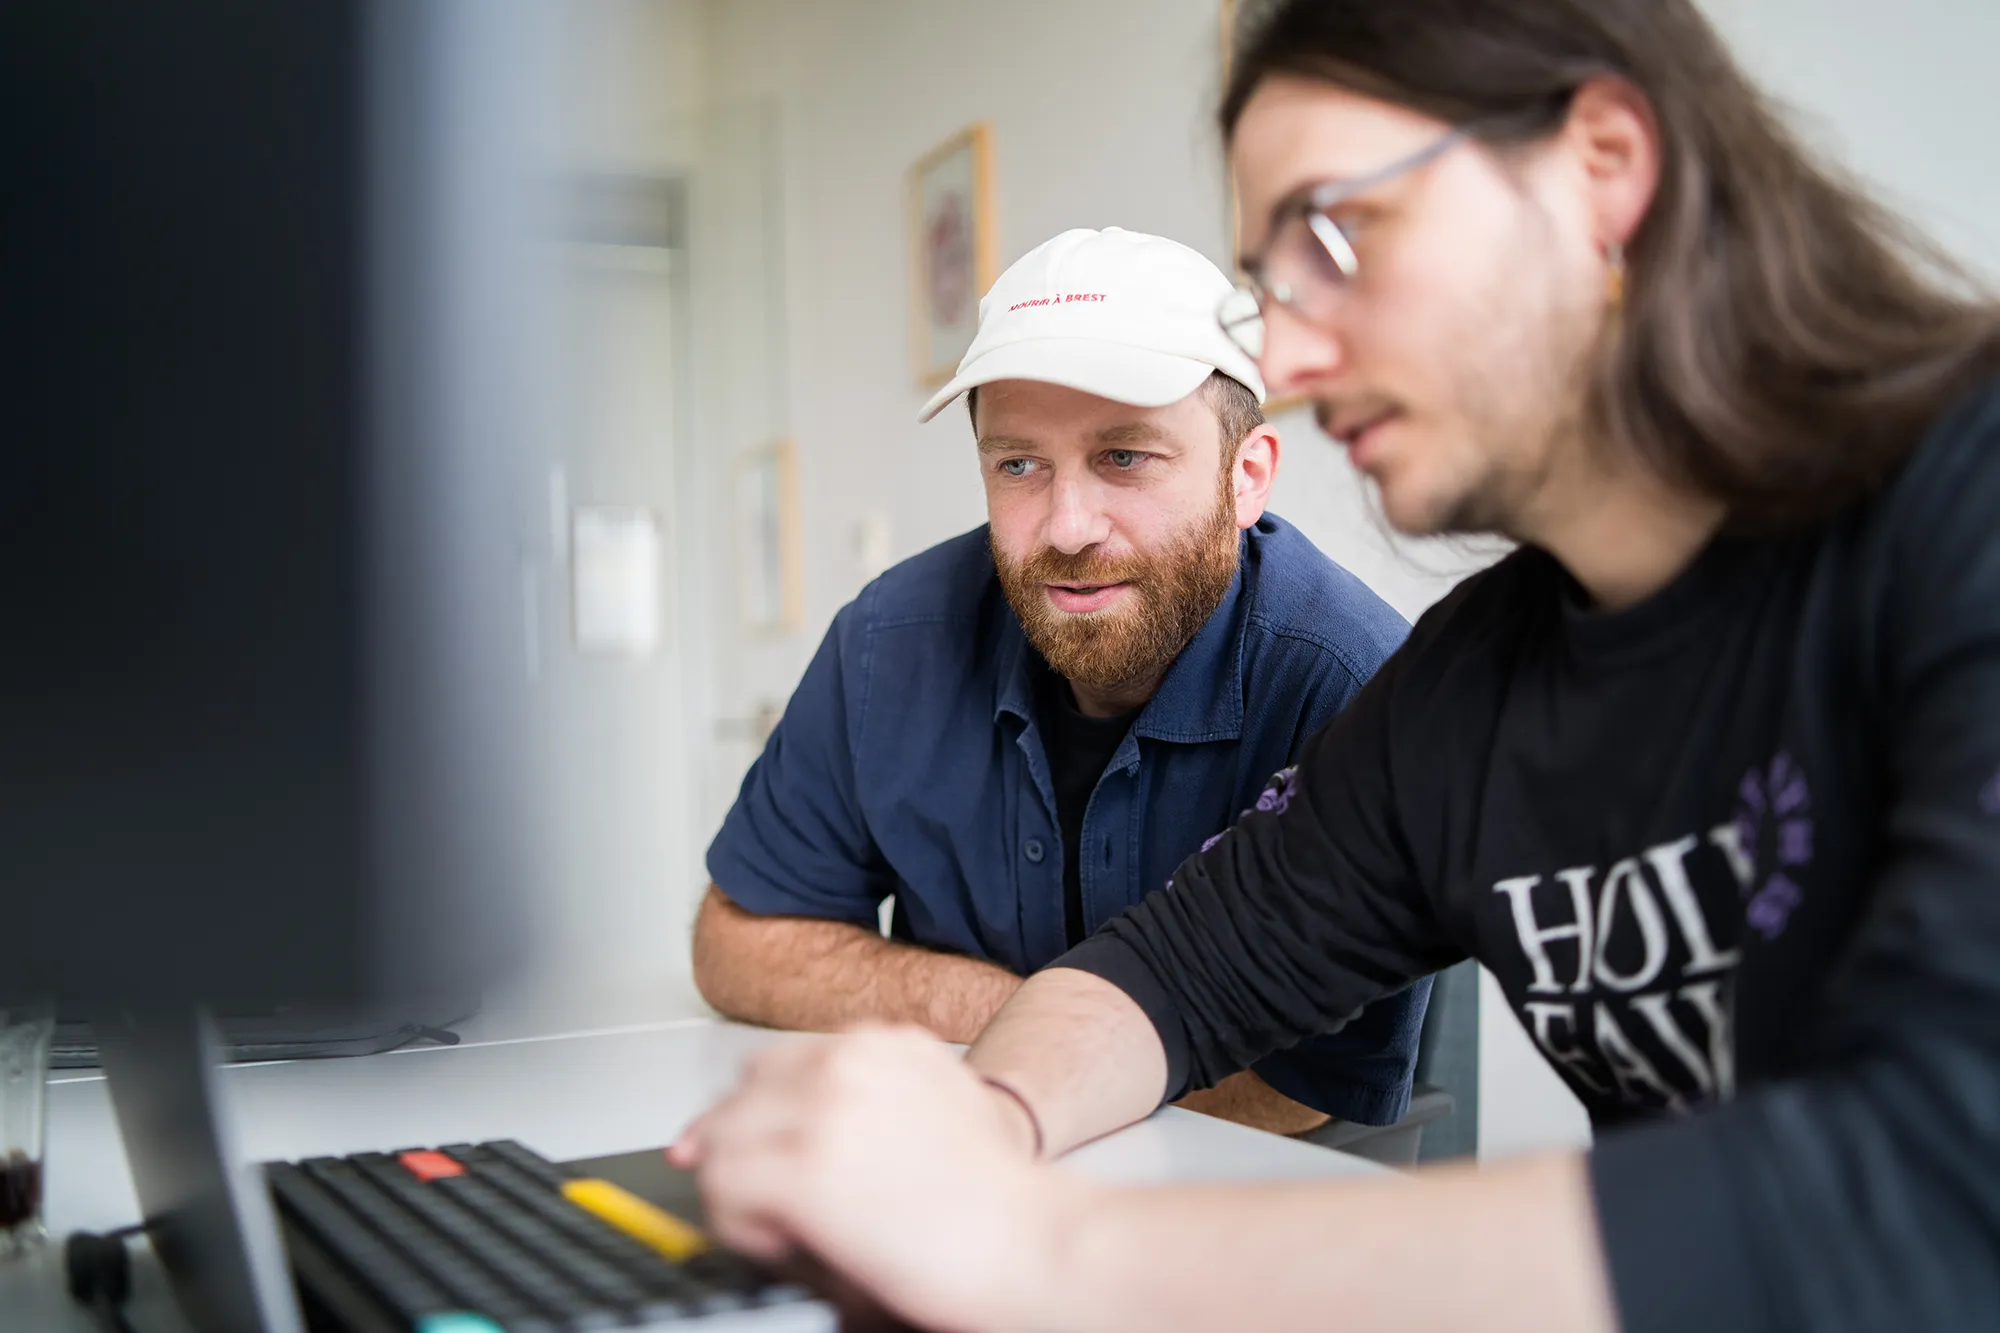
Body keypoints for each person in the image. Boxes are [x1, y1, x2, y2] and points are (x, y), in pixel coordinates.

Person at [672, 1, 2000, 1329]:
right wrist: (977, 1130)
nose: (1295, 356)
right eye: (1277, 279)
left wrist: (1048, 1248)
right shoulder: (1474, 685)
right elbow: (1170, 976)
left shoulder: (1967, 506)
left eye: (1340, 236)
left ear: (1600, 165)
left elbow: (1935, 1180)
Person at [693, 225, 1426, 1136]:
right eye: (1019, 464)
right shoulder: (890, 642)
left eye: (1125, 457)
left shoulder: (1352, 681)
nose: (1068, 526)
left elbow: (1295, 1084)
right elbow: (734, 943)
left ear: (1247, 477)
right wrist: (1019, 1014)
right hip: (962, 1167)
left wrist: (1041, 1037)